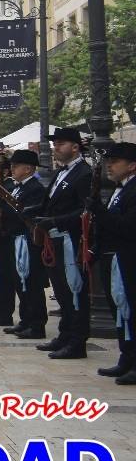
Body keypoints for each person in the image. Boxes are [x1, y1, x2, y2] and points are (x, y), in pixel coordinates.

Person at [33, 127, 93, 359]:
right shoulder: (61, 173)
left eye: (60, 144)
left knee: (75, 291)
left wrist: (55, 220)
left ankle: (77, 340)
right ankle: (65, 334)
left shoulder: (84, 174)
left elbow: (84, 210)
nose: (56, 148)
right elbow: (49, 201)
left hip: (71, 240)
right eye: (55, 144)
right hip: (55, 240)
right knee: (62, 292)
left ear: (75, 147)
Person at [92, 142, 136, 383]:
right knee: (120, 309)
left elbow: (128, 227)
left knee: (130, 309)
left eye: (116, 161)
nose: (110, 165)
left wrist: (100, 213)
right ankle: (126, 358)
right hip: (116, 257)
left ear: (131, 165)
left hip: (129, 257)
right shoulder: (121, 189)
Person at [0, 150, 48, 339]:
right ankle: (25, 320)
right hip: (15, 238)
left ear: (28, 168)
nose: (12, 169)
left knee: (31, 284)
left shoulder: (35, 188)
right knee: (20, 283)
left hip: (27, 240)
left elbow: (25, 214)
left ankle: (36, 324)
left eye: (16, 166)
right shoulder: (17, 187)